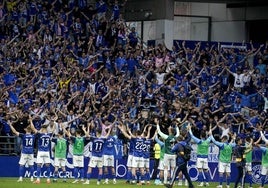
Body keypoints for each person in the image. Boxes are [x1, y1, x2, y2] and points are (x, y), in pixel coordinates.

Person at [30, 115, 55, 184]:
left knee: (38, 165)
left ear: (42, 129)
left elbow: (32, 128)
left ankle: (38, 180)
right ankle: (48, 179)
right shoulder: (49, 134)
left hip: (41, 152)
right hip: (47, 152)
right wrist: (53, 121)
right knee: (48, 165)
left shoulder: (40, 134)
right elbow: (53, 129)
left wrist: (30, 120)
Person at [155, 117, 180, 185]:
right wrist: (177, 126)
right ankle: (173, 182)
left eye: (169, 129)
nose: (168, 129)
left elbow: (159, 132)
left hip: (167, 154)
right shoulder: (175, 137)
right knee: (173, 169)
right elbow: (178, 133)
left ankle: (165, 181)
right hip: (173, 155)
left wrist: (157, 124)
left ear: (170, 131)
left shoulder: (166, 137)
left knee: (165, 168)